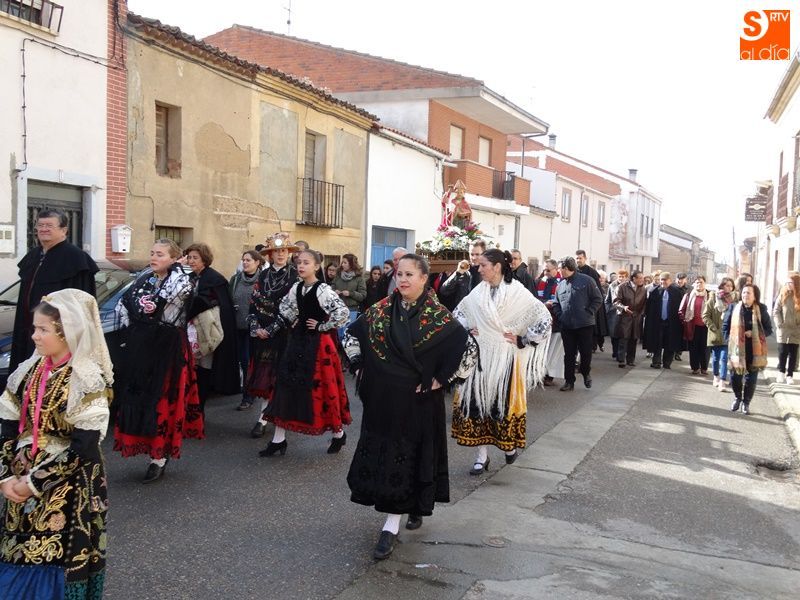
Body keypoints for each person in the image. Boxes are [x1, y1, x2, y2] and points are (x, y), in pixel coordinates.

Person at [344, 254, 477, 561]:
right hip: (383, 401)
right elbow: (352, 335)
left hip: (418, 403)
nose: (402, 279)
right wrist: (359, 365)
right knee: (388, 455)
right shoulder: (380, 310)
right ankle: (410, 506)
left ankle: (390, 526)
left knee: (408, 456)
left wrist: (442, 379)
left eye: (409, 274)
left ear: (424, 279)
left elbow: (469, 349)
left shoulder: (439, 316)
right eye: (399, 274)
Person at [0, 289, 112, 599]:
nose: (34, 336)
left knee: (53, 557)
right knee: (15, 550)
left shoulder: (86, 378)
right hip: (20, 478)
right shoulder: (28, 371)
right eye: (35, 328)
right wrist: (5, 476)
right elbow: (7, 426)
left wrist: (32, 484)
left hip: (68, 484)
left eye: (43, 329)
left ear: (68, 332)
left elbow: (84, 446)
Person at [451, 249, 552, 474]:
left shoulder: (517, 291)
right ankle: (481, 456)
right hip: (480, 357)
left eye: (483, 265)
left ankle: (508, 447)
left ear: (497, 267)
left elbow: (544, 318)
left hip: (505, 358)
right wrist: (467, 330)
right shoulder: (479, 291)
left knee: (500, 406)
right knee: (477, 404)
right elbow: (458, 314)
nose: (479, 269)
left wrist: (523, 339)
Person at [113, 239, 203, 483]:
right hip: (143, 346)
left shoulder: (182, 280)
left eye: (160, 254)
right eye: (152, 253)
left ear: (173, 258)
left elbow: (169, 298)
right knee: (141, 397)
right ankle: (149, 447)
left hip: (168, 348)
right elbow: (124, 304)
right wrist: (136, 328)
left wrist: (179, 269)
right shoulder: (145, 279)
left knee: (162, 400)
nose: (153, 257)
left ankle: (159, 456)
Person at [259, 249, 351, 456]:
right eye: (299, 262)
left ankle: (338, 434)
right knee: (284, 386)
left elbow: (343, 313)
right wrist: (291, 320)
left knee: (322, 390)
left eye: (306, 263)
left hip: (318, 347)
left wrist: (322, 326)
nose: (301, 266)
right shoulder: (297, 287)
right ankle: (278, 439)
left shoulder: (323, 290)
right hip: (297, 342)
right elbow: (285, 308)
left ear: (316, 266)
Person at [10, 209, 99, 374]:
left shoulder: (76, 259)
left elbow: (82, 308)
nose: (43, 229)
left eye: (49, 225)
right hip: (28, 329)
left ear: (64, 230)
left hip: (57, 335)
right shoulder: (34, 255)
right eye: (40, 225)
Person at [246, 233, 299, 438]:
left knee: (280, 377)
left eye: (284, 250)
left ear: (288, 253)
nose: (280, 254)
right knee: (264, 377)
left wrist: (272, 329)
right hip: (262, 334)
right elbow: (254, 303)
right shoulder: (263, 275)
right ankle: (262, 418)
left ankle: (279, 420)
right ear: (271, 254)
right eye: (277, 251)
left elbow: (294, 308)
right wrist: (256, 327)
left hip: (285, 334)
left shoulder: (295, 276)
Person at [185, 243, 241, 410]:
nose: (191, 261)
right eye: (189, 257)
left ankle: (199, 407)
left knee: (204, 368)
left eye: (195, 258)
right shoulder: (190, 277)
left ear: (204, 259)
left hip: (208, 333)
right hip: (191, 332)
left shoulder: (215, 279)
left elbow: (220, 307)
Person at [552, 256, 603, 391]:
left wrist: (589, 312)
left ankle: (586, 372)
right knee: (569, 355)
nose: (559, 271)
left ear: (567, 268)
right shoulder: (561, 285)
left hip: (585, 325)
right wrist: (561, 316)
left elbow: (598, 299)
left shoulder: (587, 280)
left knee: (585, 353)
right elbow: (556, 303)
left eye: (560, 268)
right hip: (567, 326)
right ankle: (569, 381)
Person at [723, 284, 773, 414]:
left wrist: (754, 333)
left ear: (755, 296)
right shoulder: (734, 307)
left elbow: (768, 329)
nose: (745, 295)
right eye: (744, 292)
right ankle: (737, 397)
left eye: (749, 293)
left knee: (751, 378)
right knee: (735, 377)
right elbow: (725, 326)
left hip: (754, 349)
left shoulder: (761, 309)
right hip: (736, 350)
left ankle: (746, 403)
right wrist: (730, 341)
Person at [229, 250, 264, 410]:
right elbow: (229, 298)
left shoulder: (263, 279)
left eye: (248, 260)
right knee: (242, 361)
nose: (244, 262)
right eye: (243, 260)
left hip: (256, 329)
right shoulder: (236, 279)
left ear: (257, 262)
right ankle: (246, 391)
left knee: (251, 361)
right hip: (238, 327)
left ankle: (250, 395)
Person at [643, 272, 683, 370]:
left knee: (670, 343)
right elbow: (649, 308)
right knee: (657, 342)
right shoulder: (655, 291)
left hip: (671, 322)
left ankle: (667, 363)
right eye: (661, 280)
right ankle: (656, 362)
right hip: (658, 322)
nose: (663, 282)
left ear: (670, 280)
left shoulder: (677, 292)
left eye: (665, 280)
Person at [703, 277, 736, 392]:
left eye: (731, 286)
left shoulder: (734, 300)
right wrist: (714, 328)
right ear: (722, 286)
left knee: (724, 358)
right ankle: (716, 376)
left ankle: (722, 380)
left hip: (729, 334)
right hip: (715, 334)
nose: (729, 288)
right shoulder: (714, 298)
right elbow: (705, 316)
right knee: (716, 358)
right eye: (727, 285)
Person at [575, 250, 607, 353]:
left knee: (592, 328)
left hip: (589, 305)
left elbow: (597, 292)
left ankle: (592, 346)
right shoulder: (573, 271)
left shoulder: (592, 272)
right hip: (577, 305)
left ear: (585, 258)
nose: (578, 260)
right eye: (577, 258)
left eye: (580, 258)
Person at [438, 240, 485, 309]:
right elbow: (444, 291)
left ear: (484, 254)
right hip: (463, 311)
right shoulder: (464, 271)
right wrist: (458, 273)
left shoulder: (488, 272)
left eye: (477, 254)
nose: (474, 258)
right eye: (472, 254)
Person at [614, 270, 647, 367]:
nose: (642, 280)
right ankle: (621, 360)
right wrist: (623, 308)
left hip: (637, 317)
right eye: (640, 278)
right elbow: (616, 301)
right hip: (624, 316)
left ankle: (631, 360)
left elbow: (645, 303)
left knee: (634, 339)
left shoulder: (643, 289)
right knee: (623, 338)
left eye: (642, 278)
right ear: (634, 278)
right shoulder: (622, 287)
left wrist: (641, 313)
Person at [678, 276, 711, 375]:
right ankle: (695, 367)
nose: (699, 284)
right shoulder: (688, 295)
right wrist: (685, 320)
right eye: (697, 282)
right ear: (694, 284)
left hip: (706, 326)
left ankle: (704, 368)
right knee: (694, 348)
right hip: (692, 326)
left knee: (705, 348)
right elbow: (681, 310)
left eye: (701, 282)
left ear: (705, 283)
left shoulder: (710, 295)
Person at [331, 253, 367, 339]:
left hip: (352, 310)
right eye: (342, 262)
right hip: (338, 309)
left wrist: (351, 293)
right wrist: (334, 291)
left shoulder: (359, 278)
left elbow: (363, 295)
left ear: (351, 264)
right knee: (338, 335)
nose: (342, 264)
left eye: (345, 262)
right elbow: (331, 287)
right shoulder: (338, 275)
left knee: (347, 334)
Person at [772, 277, 800, 385]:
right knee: (782, 352)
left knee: (793, 353)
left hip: (796, 330)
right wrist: (779, 324)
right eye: (787, 282)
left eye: (791, 282)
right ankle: (781, 372)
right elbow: (776, 311)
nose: (789, 284)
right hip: (783, 329)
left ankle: (790, 375)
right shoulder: (782, 295)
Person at [605, 270, 626, 362]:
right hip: (613, 313)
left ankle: (620, 354)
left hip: (625, 313)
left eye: (623, 276)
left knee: (622, 334)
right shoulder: (612, 285)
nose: (621, 278)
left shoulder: (628, 286)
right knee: (614, 334)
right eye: (620, 276)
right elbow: (607, 300)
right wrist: (609, 309)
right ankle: (615, 351)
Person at [673, 272, 690, 362]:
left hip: (684, 315)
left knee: (682, 335)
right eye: (678, 279)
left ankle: (678, 353)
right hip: (673, 315)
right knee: (673, 334)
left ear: (685, 280)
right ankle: (672, 351)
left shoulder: (689, 289)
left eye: (682, 279)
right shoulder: (672, 288)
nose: (680, 281)